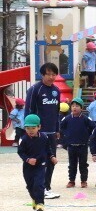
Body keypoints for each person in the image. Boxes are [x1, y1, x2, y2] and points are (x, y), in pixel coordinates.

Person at [24, 62, 61, 199]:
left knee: (51, 160)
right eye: (48, 74)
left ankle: (46, 187)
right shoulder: (35, 89)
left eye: (54, 74)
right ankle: (37, 187)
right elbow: (28, 111)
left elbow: (57, 112)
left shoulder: (56, 90)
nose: (51, 77)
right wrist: (28, 130)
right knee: (39, 161)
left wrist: (57, 129)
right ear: (42, 75)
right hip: (39, 133)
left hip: (51, 133)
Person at [18, 114, 57, 211]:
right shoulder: (23, 139)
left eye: (33, 128)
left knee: (39, 185)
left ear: (39, 127)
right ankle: (35, 199)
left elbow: (48, 149)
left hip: (40, 165)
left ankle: (40, 204)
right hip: (28, 167)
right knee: (30, 186)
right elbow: (20, 152)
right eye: (28, 128)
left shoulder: (44, 137)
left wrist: (52, 157)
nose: (30, 130)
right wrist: (28, 159)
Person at [60, 97, 95, 189]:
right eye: (73, 106)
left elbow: (93, 127)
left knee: (83, 164)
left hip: (82, 146)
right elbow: (61, 128)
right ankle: (71, 180)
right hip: (71, 146)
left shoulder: (85, 119)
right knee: (72, 164)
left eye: (77, 106)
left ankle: (83, 180)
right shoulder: (67, 119)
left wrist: (89, 136)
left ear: (82, 108)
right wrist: (66, 137)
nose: (74, 108)